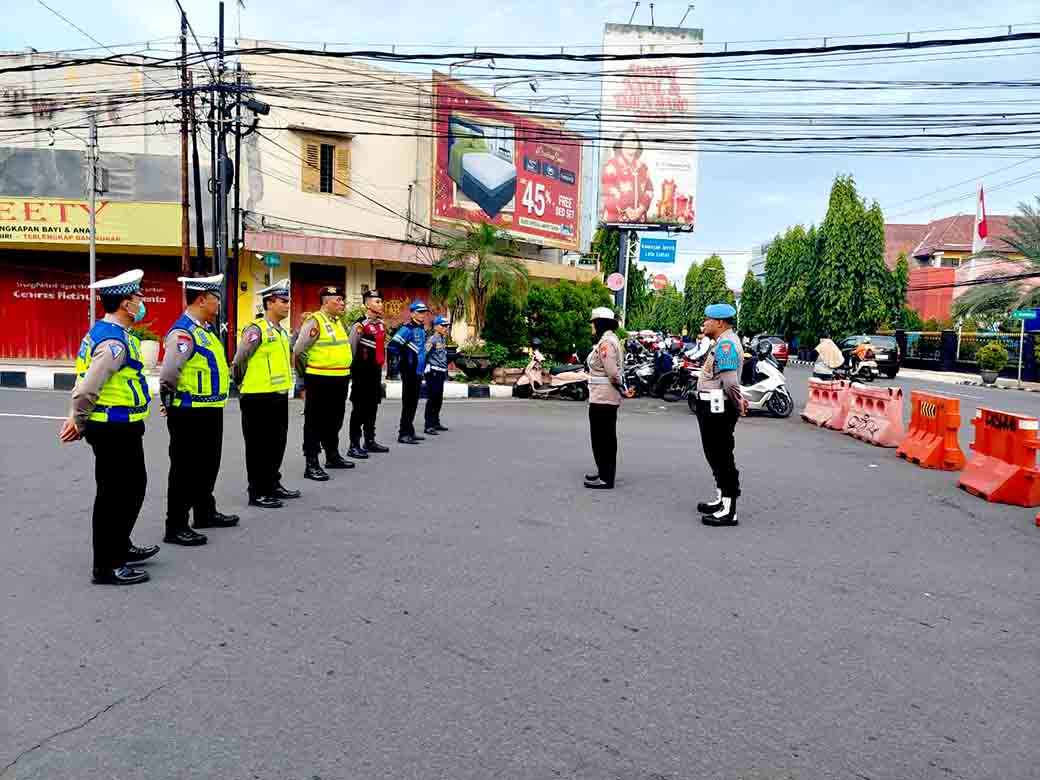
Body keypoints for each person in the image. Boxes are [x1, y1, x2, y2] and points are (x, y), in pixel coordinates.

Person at [59, 270, 156, 585]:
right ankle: (107, 566)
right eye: (138, 297)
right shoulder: (113, 341)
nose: (142, 302)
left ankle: (120, 547)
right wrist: (79, 420)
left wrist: (77, 417)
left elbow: (82, 380)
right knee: (116, 496)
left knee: (131, 489)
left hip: (122, 426)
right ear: (126, 303)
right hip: (112, 428)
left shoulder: (107, 333)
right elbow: (88, 387)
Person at [160, 274, 238, 547]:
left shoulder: (205, 330)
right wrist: (169, 401)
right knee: (185, 469)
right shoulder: (183, 332)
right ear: (202, 299)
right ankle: (176, 524)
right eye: (216, 298)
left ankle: (205, 511)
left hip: (210, 409)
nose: (219, 304)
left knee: (207, 464)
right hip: (189, 412)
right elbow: (169, 373)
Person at [231, 279, 301, 509]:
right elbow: (240, 360)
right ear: (269, 303)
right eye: (283, 301)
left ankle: (272, 483)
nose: (287, 305)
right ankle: (257, 491)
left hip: (278, 396)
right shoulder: (256, 329)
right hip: (257, 397)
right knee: (258, 447)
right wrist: (241, 383)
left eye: (288, 301)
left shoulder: (281, 332)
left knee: (276, 444)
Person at [293, 286, 355, 481]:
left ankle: (332, 455)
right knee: (315, 421)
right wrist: (304, 378)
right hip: (320, 378)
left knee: (335, 418)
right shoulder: (315, 321)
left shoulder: (338, 322)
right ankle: (311, 463)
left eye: (342, 300)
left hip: (340, 378)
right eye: (338, 300)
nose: (342, 303)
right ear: (326, 302)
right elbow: (299, 351)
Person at [695, 303, 748, 527]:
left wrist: (738, 404)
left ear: (719, 322)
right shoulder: (721, 342)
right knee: (714, 454)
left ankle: (729, 509)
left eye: (707, 319)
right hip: (712, 406)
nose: (704, 323)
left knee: (722, 456)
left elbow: (730, 381)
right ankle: (721, 499)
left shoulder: (726, 344)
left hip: (719, 408)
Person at [347, 289, 390, 459]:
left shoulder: (381, 325)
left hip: (375, 372)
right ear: (367, 304)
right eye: (376, 301)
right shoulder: (360, 325)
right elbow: (351, 349)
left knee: (372, 406)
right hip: (361, 373)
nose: (380, 304)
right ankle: (354, 445)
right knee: (359, 409)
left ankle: (369, 440)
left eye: (381, 301)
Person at [584, 307, 624, 490]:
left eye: (592, 322)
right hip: (602, 394)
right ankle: (603, 472)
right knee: (602, 436)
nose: (591, 326)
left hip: (604, 396)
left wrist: (620, 387)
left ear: (599, 323)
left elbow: (613, 373)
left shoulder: (606, 343)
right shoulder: (607, 340)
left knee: (603, 438)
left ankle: (606, 477)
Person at [388, 301, 428, 444]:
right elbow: (392, 346)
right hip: (409, 371)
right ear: (412, 313)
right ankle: (403, 434)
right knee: (408, 403)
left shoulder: (422, 329)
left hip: (418, 371)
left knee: (413, 403)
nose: (423, 314)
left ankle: (409, 430)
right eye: (420, 312)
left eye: (424, 312)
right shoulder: (407, 329)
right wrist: (407, 357)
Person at [599, 129, 654, 224]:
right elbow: (609, 190)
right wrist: (627, 209)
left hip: (639, 221)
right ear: (620, 144)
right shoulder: (611, 165)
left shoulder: (643, 168)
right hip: (615, 220)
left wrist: (640, 210)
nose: (631, 143)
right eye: (627, 140)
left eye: (634, 140)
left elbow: (649, 190)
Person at [424, 315, 451, 435]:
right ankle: (428, 425)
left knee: (438, 399)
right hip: (433, 372)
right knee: (433, 399)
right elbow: (424, 353)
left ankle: (436, 422)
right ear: (436, 327)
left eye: (447, 326)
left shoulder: (442, 339)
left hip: (441, 371)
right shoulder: (432, 339)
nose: (446, 328)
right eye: (443, 325)